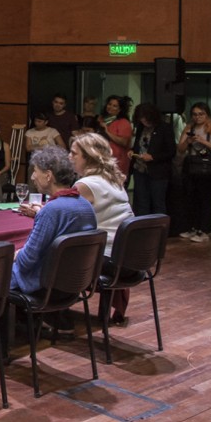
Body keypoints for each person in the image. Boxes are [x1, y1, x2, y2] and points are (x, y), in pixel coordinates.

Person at [11, 146, 97, 297]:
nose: (32, 177)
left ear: (48, 175)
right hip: (73, 285)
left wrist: (16, 254)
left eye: (35, 171)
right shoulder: (86, 206)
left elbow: (26, 262)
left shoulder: (50, 211)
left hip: (44, 286)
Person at [70, 133, 134, 325]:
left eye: (74, 153)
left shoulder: (85, 185)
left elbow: (64, 219)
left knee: (52, 254)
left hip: (109, 261)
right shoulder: (114, 181)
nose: (69, 157)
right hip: (130, 260)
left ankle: (53, 316)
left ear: (89, 158)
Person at [177, 101, 211, 243]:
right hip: (191, 166)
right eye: (195, 114)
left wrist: (203, 141)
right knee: (190, 198)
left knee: (205, 199)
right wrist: (189, 142)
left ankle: (204, 230)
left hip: (206, 168)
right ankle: (192, 227)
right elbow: (180, 149)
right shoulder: (188, 127)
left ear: (207, 115)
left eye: (201, 114)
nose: (198, 117)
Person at [129, 103, 175, 216]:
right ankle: (142, 228)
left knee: (157, 202)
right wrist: (132, 151)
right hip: (140, 169)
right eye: (141, 120)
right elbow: (138, 144)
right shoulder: (141, 128)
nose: (144, 122)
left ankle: (159, 230)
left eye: (146, 120)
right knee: (141, 201)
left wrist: (153, 157)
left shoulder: (165, 128)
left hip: (158, 171)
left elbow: (171, 151)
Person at [97, 95, 134, 177]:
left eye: (114, 106)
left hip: (117, 161)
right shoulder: (101, 120)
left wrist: (107, 132)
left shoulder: (123, 122)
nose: (110, 107)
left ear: (120, 109)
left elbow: (124, 142)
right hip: (102, 159)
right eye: (109, 104)